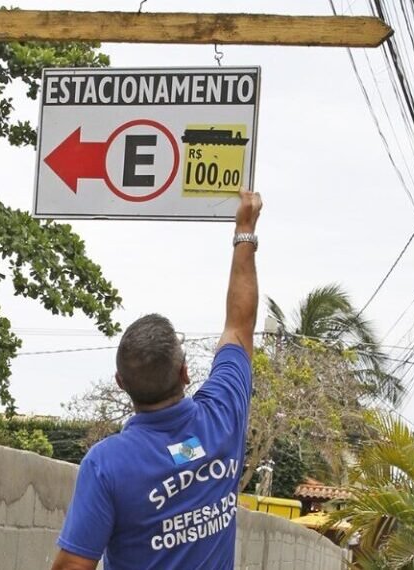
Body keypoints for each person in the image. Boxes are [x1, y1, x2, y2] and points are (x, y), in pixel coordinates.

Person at [50, 190, 263, 570]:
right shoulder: (222, 417)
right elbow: (239, 326)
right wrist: (244, 230)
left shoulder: (107, 465)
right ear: (185, 373)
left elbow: (73, 566)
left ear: (120, 382)